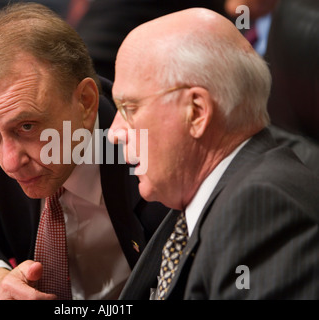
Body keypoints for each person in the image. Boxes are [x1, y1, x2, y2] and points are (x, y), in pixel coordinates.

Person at [0, 3, 168, 300]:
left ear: (85, 102)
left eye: (28, 127)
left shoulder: (150, 154)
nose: (10, 162)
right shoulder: (3, 133)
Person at [108, 8, 319, 299]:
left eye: (129, 109)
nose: (114, 133)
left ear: (196, 112)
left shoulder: (260, 206)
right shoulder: (204, 197)